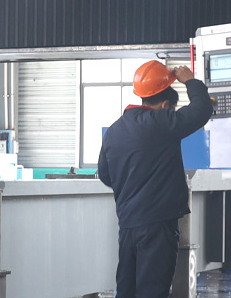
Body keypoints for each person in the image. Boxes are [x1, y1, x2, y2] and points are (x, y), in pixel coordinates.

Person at [97, 59, 214, 298]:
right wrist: (191, 81)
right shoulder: (162, 123)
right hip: (158, 225)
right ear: (165, 105)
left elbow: (106, 175)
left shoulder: (114, 131)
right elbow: (201, 110)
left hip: (127, 225)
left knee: (127, 289)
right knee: (152, 290)